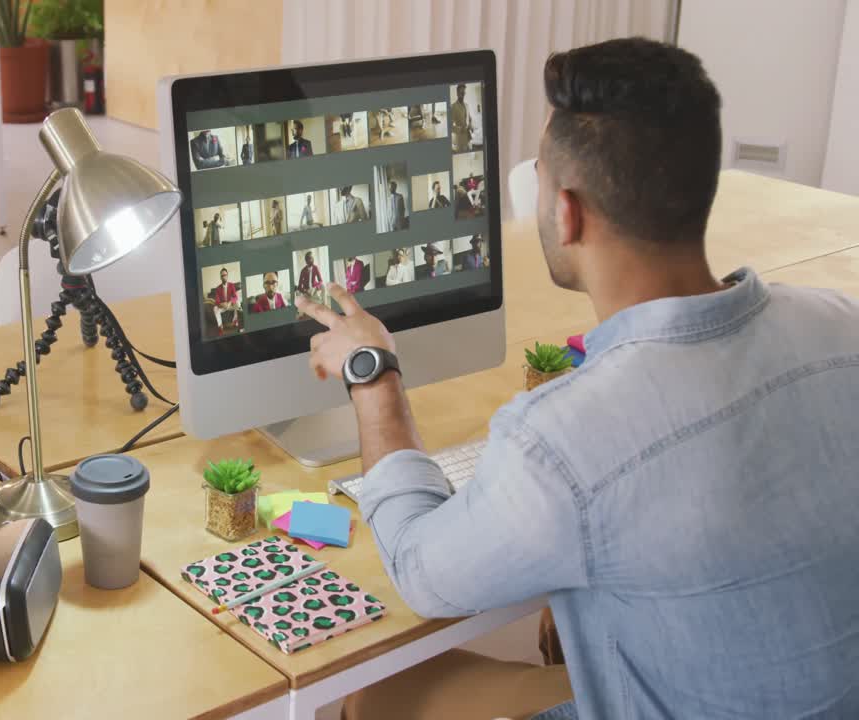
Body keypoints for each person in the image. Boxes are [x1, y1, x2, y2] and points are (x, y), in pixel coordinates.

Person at [293, 37, 859, 720]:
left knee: (375, 693)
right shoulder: (842, 327)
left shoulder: (563, 441)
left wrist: (373, 373)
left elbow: (420, 570)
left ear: (566, 212)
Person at [210, 267, 240, 333]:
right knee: (215, 308)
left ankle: (235, 320)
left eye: (225, 275)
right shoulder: (218, 288)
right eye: (222, 275)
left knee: (237, 302)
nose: (224, 277)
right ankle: (220, 326)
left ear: (227, 276)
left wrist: (229, 303)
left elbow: (235, 297)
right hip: (223, 306)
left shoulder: (232, 285)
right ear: (220, 277)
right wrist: (222, 304)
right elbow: (217, 301)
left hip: (230, 305)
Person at [451, 83, 473, 152]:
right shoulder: (453, 107)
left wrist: (470, 124)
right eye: (461, 92)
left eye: (464, 92)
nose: (463, 94)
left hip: (469, 137)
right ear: (457, 93)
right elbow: (450, 127)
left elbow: (470, 118)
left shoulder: (467, 105)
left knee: (470, 150)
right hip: (460, 139)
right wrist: (460, 129)